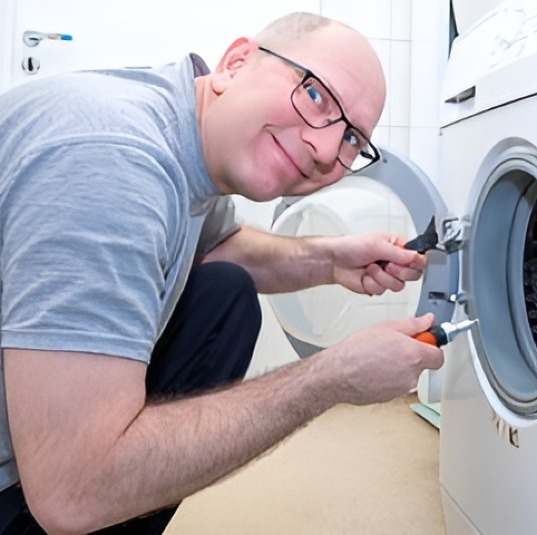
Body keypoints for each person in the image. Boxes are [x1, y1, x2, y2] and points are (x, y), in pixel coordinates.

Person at [0, 11, 443, 534]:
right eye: (316, 95)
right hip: (37, 480)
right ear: (236, 63)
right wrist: (331, 377)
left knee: (224, 294)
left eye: (351, 139)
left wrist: (329, 259)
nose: (326, 150)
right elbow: (71, 493)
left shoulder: (176, 127)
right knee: (90, 484)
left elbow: (217, 246)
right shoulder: (116, 165)